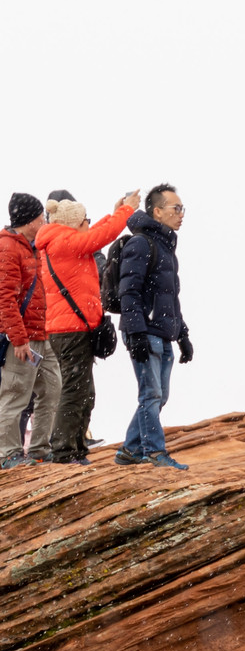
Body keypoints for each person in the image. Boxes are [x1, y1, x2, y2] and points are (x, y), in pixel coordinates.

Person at [38, 188, 139, 465]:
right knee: (74, 391)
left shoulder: (63, 241)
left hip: (71, 329)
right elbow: (100, 236)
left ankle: (77, 447)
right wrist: (126, 210)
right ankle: (63, 451)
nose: (89, 224)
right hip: (70, 330)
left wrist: (114, 210)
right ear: (74, 225)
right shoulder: (63, 243)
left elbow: (96, 233)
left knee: (84, 392)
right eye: (86, 220)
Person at [116, 184, 192, 470]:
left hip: (163, 332)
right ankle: (154, 452)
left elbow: (170, 297)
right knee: (152, 394)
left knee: (160, 395)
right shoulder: (141, 243)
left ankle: (131, 449)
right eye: (177, 208)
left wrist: (183, 335)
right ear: (157, 211)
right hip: (145, 331)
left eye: (183, 208)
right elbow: (129, 292)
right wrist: (135, 333)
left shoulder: (165, 247)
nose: (182, 214)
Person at [0, 193, 62, 470]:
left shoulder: (31, 246)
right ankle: (7, 453)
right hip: (22, 339)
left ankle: (39, 448)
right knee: (15, 394)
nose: (43, 221)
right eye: (40, 218)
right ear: (30, 220)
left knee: (52, 388)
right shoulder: (8, 248)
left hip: (41, 333)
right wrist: (19, 339)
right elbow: (5, 298)